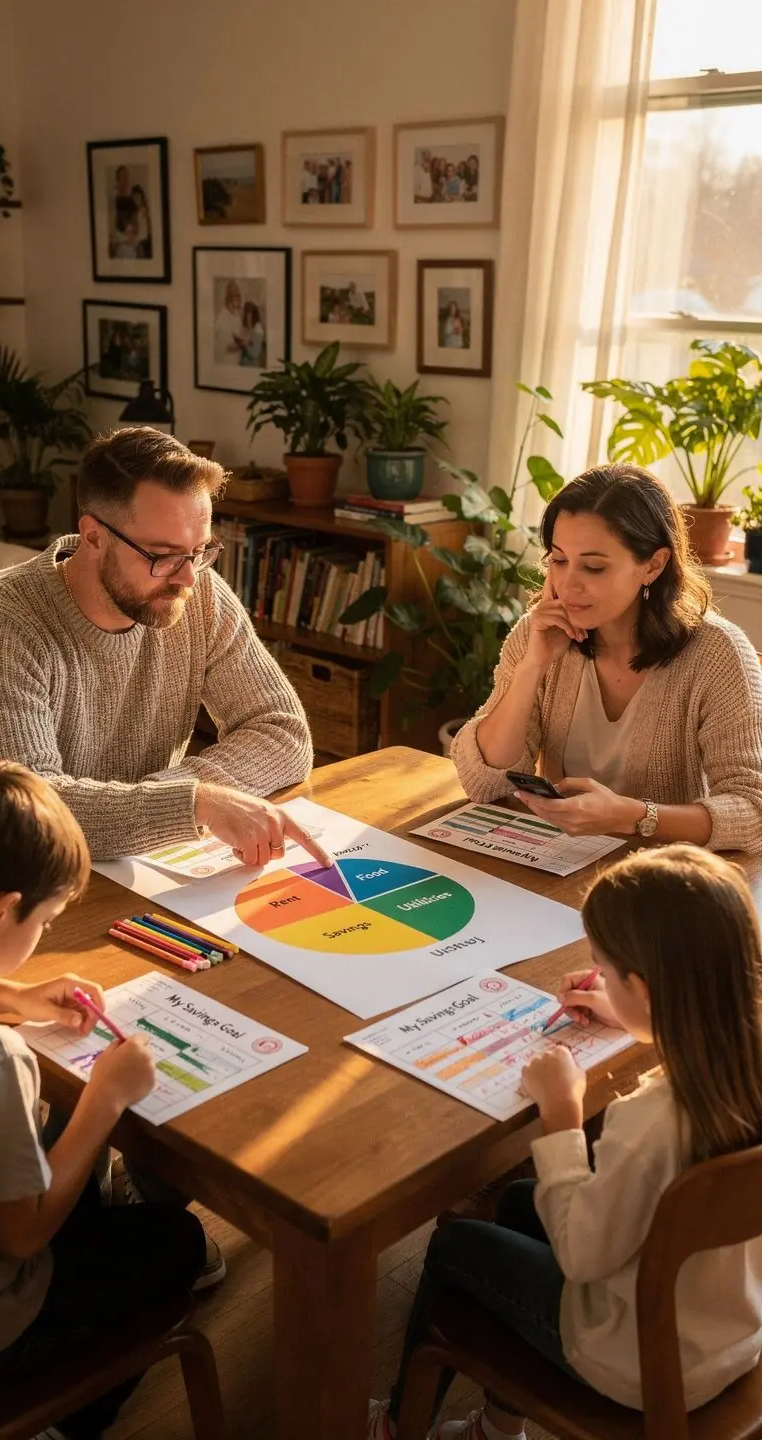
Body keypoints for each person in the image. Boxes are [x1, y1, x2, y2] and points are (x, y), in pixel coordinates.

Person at [369, 844, 762, 1439]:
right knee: (518, 1202)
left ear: (647, 989)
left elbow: (583, 1255)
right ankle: (499, 1429)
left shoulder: (649, 1124)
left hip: (640, 1360)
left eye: (604, 968)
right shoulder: (739, 1057)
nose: (595, 974)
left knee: (454, 1245)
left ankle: (399, 1426)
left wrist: (563, 1114)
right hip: (732, 1333)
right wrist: (634, 1016)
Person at [0, 758, 209, 1438]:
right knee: (176, 1240)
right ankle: (61, 1423)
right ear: (1, 912)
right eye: (46, 921)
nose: (42, 938)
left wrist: (10, 994)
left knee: (83, 1194)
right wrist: (104, 1099)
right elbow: (22, 1235)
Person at [0, 426, 324, 869]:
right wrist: (194, 804)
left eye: (200, 551)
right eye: (161, 555)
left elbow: (282, 730)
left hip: (143, 864)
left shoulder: (196, 593)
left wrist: (179, 798)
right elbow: (27, 813)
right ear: (93, 537)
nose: (187, 577)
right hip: (5, 880)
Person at [451, 463, 762, 854]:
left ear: (654, 564)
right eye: (559, 560)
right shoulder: (539, 635)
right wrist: (532, 667)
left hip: (664, 883)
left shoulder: (718, 655)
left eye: (594, 567)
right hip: (559, 869)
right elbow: (485, 783)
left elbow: (752, 812)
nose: (568, 584)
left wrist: (631, 816)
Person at [213, 278, 243, 365]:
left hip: (236, 361)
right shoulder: (223, 319)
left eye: (238, 296)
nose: (237, 301)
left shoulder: (236, 313)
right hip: (226, 362)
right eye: (234, 297)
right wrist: (244, 344)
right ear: (228, 298)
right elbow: (226, 347)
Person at [238, 299, 265, 366]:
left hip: (251, 366)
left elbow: (254, 354)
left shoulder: (258, 331)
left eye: (249, 314)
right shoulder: (246, 329)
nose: (247, 316)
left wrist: (244, 345)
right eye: (246, 313)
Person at [130, 183, 151, 259]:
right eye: (134, 198)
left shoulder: (143, 211)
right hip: (138, 241)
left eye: (138, 198)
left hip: (144, 240)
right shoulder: (133, 213)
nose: (136, 200)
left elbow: (145, 229)